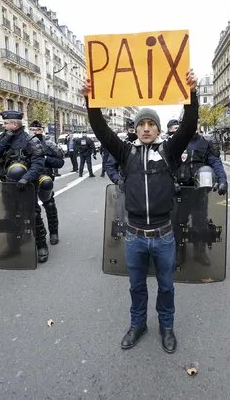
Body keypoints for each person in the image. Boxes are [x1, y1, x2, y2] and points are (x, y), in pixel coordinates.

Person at [83, 70, 198, 354]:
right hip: (134, 236)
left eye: (151, 124)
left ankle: (166, 327)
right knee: (136, 287)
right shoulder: (125, 153)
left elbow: (189, 125)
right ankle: (138, 325)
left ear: (158, 130)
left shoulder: (169, 152)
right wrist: (90, 100)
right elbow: (101, 130)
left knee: (167, 287)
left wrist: (192, 95)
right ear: (135, 129)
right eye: (141, 124)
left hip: (163, 236)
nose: (146, 128)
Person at [0, 111, 49, 263]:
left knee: (32, 213)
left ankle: (41, 245)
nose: (4, 125)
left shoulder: (30, 140)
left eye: (6, 123)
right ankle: (13, 247)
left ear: (14, 124)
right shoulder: (3, 137)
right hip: (8, 183)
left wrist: (26, 178)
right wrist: (5, 139)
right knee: (9, 215)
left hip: (26, 184)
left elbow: (39, 162)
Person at [175, 116, 228, 265]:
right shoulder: (176, 142)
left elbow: (215, 162)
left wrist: (222, 180)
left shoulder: (205, 143)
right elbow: (168, 164)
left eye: (195, 122)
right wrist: (172, 182)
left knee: (200, 223)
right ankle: (179, 252)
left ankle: (200, 252)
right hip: (180, 190)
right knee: (179, 223)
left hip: (199, 191)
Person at [29, 121, 65, 245]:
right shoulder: (25, 144)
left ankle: (54, 232)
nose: (34, 132)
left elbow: (60, 162)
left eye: (37, 130)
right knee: (31, 209)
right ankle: (40, 231)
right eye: (32, 129)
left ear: (42, 130)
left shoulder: (49, 144)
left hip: (45, 178)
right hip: (30, 178)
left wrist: (45, 159)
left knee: (49, 204)